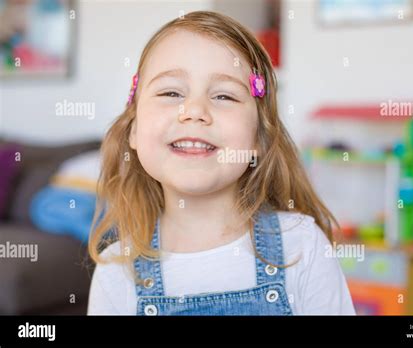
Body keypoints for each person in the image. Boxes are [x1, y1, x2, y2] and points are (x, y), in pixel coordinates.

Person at [87, 10, 355, 316]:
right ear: (133, 130)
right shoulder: (116, 274)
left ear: (258, 138)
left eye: (224, 96)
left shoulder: (302, 246)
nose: (194, 110)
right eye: (171, 92)